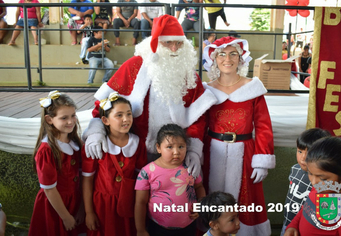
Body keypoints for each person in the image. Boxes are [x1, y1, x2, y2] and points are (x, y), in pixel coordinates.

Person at [82, 14, 217, 178]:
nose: (174, 48)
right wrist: (96, 131)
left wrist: (194, 150)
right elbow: (104, 104)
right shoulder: (134, 66)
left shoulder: (189, 75)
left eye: (179, 43)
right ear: (156, 42)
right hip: (135, 151)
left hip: (174, 154)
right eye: (168, 42)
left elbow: (198, 117)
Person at [202, 36, 275, 236]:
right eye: (222, 54)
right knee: (212, 201)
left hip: (246, 155)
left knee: (246, 202)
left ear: (241, 58)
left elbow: (263, 126)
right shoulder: (206, 90)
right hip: (212, 154)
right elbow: (199, 126)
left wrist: (262, 159)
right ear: (214, 59)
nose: (228, 58)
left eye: (233, 53)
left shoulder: (253, 89)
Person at [82, 92, 146, 236]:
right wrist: (89, 212)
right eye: (119, 115)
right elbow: (87, 179)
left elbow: (140, 179)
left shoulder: (137, 143)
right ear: (105, 120)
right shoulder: (96, 144)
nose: (126, 119)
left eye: (129, 114)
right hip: (101, 206)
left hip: (128, 204)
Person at [135, 123, 206, 236]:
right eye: (169, 147)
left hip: (188, 227)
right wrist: (140, 230)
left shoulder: (190, 168)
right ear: (158, 148)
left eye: (181, 146)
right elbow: (140, 202)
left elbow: (199, 187)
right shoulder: (147, 172)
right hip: (158, 229)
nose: (176, 152)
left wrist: (200, 206)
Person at [28, 91, 83, 236]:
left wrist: (81, 208)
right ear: (49, 119)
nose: (71, 121)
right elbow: (49, 189)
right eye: (64, 118)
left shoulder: (75, 142)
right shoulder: (47, 150)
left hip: (74, 202)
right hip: (55, 208)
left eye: (73, 115)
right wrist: (65, 217)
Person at [284, 136, 341, 236]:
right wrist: (292, 226)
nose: (313, 182)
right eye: (310, 173)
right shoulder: (321, 188)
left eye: (323, 178)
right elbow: (306, 209)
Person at [280, 128, 331, 236]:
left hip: (307, 228)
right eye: (300, 151)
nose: (303, 158)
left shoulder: (323, 181)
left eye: (309, 153)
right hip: (288, 223)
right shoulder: (295, 169)